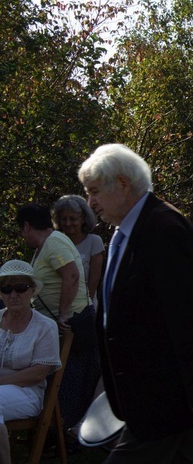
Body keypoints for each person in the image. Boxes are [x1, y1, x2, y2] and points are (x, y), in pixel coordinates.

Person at [78, 143, 193, 462]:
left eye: (95, 191)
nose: (91, 202)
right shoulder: (130, 232)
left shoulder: (162, 228)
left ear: (123, 184)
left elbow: (190, 315)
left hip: (165, 396)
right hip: (153, 395)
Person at [16, 203, 98, 430]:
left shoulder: (54, 242)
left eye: (22, 231)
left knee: (69, 382)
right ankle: (55, 432)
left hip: (73, 322)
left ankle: (66, 434)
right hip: (61, 322)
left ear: (27, 226)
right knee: (58, 380)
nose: (22, 236)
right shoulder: (44, 246)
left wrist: (63, 314)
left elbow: (71, 275)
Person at [0, 260, 61, 464]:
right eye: (7, 289)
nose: (13, 294)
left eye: (21, 287)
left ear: (32, 290)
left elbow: (38, 373)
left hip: (28, 392)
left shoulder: (45, 326)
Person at [52, 194, 104, 308]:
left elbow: (94, 280)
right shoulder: (54, 242)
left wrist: (85, 307)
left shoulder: (94, 242)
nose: (68, 223)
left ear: (83, 219)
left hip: (85, 306)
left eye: (73, 219)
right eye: (64, 219)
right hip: (57, 305)